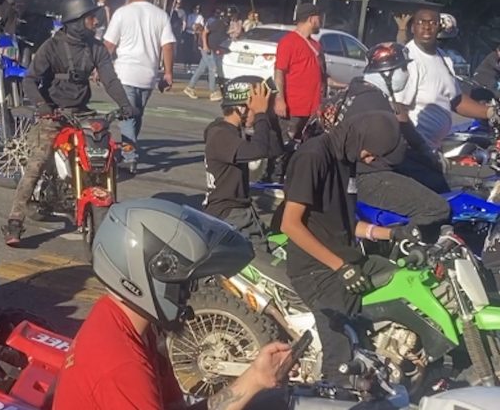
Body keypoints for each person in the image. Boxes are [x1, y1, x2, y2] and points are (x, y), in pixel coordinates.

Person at [53, 197, 292, 410]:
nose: (188, 294)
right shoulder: (122, 367)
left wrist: (254, 379)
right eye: (183, 283)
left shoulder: (124, 323)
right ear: (151, 275)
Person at [279, 111, 410, 386]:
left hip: (346, 260)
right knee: (341, 352)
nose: (372, 159)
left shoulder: (346, 159)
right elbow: (289, 224)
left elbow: (343, 224)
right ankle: (332, 393)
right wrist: (340, 267)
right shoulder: (313, 157)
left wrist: (393, 234)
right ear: (360, 138)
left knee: (404, 280)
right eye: (372, 153)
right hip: (317, 270)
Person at [3, 0, 136, 245]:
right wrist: (43, 106)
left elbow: (110, 79)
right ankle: (15, 221)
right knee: (37, 164)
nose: (95, 22)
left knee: (105, 151)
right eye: (90, 18)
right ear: (76, 20)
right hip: (53, 113)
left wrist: (125, 105)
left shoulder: (96, 48)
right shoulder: (52, 47)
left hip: (81, 112)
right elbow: (30, 79)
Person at [330, 42, 450, 231]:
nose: (406, 73)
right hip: (364, 177)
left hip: (347, 171)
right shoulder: (376, 105)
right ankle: (405, 246)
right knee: (436, 208)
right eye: (402, 68)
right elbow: (396, 154)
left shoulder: (353, 91)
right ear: (387, 73)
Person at [395, 8, 499, 151]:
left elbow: (456, 100)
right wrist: (420, 148)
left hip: (435, 147)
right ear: (413, 28)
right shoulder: (408, 60)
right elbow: (397, 109)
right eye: (421, 22)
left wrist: (491, 112)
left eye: (433, 23)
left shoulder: (443, 58)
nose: (427, 27)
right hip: (413, 150)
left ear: (439, 28)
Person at [104, 0, 175, 172]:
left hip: (124, 73)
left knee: (126, 117)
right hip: (148, 76)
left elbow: (108, 45)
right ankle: (130, 150)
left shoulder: (122, 13)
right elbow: (168, 45)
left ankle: (129, 156)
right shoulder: (160, 15)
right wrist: (168, 73)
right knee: (136, 116)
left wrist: (97, 67)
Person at [203, 77, 277, 244]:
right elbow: (258, 150)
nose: (259, 113)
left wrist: (268, 117)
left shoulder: (233, 132)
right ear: (241, 108)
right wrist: (261, 115)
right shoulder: (220, 135)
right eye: (254, 108)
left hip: (241, 210)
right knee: (260, 262)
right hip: (228, 214)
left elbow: (274, 149)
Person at [267, 3, 331, 182]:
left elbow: (322, 75)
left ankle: (294, 178)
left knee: (305, 147)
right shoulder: (288, 42)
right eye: (319, 18)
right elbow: (279, 72)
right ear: (311, 18)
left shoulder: (317, 46)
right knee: (284, 146)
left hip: (313, 109)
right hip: (293, 106)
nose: (320, 22)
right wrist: (280, 99)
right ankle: (274, 178)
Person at [184, 9, 227, 101]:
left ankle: (190, 87)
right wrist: (205, 46)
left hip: (209, 47)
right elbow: (205, 32)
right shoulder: (217, 23)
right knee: (213, 68)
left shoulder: (223, 25)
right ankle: (213, 92)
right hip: (207, 48)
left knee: (201, 69)